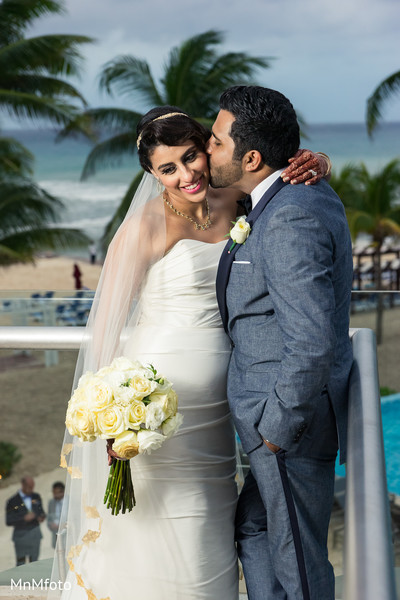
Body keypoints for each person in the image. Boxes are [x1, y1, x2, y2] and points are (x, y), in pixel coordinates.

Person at [51, 106, 330, 600]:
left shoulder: (236, 200)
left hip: (222, 402)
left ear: (207, 147)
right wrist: (115, 420)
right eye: (168, 169)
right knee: (155, 520)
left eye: (191, 157)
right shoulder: (143, 227)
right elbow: (106, 330)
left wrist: (319, 162)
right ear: (151, 175)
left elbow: (279, 189)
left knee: (209, 520)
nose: (187, 175)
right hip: (155, 403)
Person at [208, 86, 353, 600]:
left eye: (217, 140)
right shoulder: (283, 197)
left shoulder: (291, 213)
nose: (207, 149)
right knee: (256, 528)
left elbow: (311, 340)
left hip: (286, 425)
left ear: (250, 157)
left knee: (300, 562)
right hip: (269, 422)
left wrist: (277, 428)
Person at [5, 475, 46, 566]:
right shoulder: (12, 501)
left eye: (32, 487)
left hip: (35, 535)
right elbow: (8, 521)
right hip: (21, 537)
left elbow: (41, 512)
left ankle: (33, 580)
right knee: (21, 564)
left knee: (34, 563)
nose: (31, 489)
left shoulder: (36, 496)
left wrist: (41, 516)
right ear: (23, 485)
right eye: (29, 487)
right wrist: (23, 518)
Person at [47, 482, 65, 548]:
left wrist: (64, 525)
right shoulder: (51, 503)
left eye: (56, 493)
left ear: (62, 492)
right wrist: (51, 525)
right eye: (53, 493)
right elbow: (49, 518)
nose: (54, 495)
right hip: (56, 536)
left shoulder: (69, 501)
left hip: (68, 536)